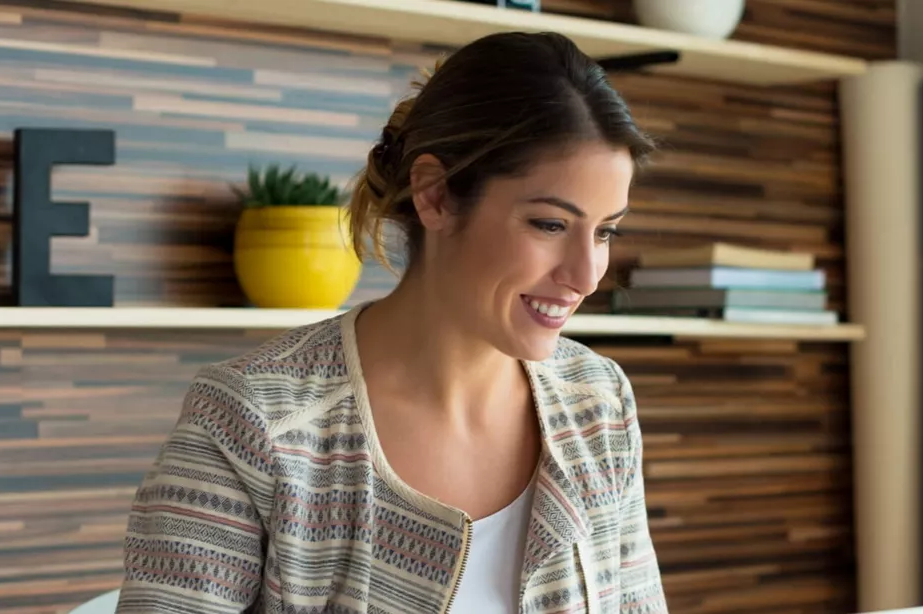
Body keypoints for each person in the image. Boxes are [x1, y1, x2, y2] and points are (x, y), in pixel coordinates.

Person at [115, 31, 666, 614]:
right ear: (435, 196)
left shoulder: (597, 402)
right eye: (551, 225)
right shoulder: (253, 420)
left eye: (605, 231)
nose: (587, 274)